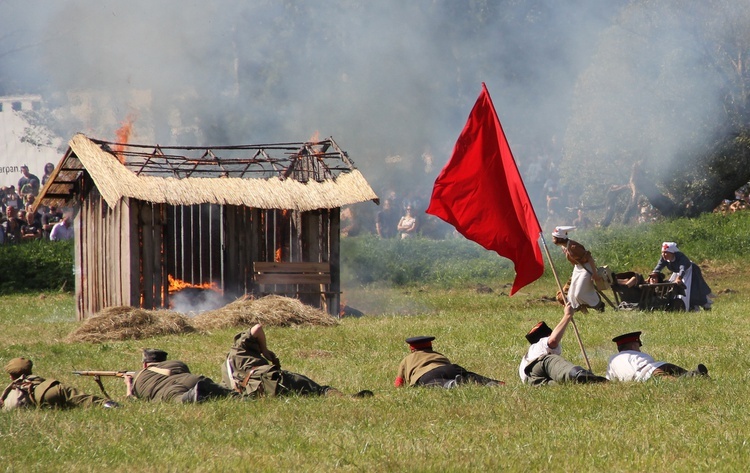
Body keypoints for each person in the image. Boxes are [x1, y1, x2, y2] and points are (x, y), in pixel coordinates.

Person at [221, 324, 372, 398]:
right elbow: (257, 328)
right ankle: (347, 399)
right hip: (275, 378)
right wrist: (265, 351)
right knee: (321, 391)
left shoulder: (226, 372)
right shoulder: (239, 346)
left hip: (263, 393)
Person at [519, 303, 608, 386]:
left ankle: (586, 381)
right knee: (552, 361)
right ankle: (578, 374)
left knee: (564, 384)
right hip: (540, 366)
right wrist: (568, 315)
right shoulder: (540, 344)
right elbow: (553, 341)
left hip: (531, 382)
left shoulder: (529, 356)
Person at [1, 357, 118, 410]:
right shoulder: (33, 379)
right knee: (86, 400)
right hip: (51, 389)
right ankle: (112, 406)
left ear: (11, 376)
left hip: (40, 399)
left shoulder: (12, 392)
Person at [125, 349, 235, 403]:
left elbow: (131, 399)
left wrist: (128, 385)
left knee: (178, 398)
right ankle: (234, 395)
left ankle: (193, 395)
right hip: (190, 380)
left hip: (171, 390)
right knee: (225, 393)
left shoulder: (139, 376)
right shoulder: (176, 363)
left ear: (144, 364)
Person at [394, 336, 504, 389]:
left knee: (433, 382)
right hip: (450, 368)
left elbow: (399, 383)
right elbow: (447, 365)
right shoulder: (438, 354)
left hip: (426, 374)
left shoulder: (406, 359)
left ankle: (451, 384)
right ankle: (493, 383)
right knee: (469, 375)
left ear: (412, 349)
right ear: (430, 346)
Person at [606, 331, 709, 381]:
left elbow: (610, 378)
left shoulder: (612, 360)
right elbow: (647, 361)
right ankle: (691, 376)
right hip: (645, 373)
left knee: (663, 370)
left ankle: (692, 375)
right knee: (664, 372)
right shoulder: (635, 354)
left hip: (642, 373)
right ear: (633, 345)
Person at [551, 225, 605, 312]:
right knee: (572, 294)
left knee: (579, 293)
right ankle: (584, 312)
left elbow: (589, 258)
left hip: (586, 267)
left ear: (559, 238)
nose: (553, 239)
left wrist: (594, 273)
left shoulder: (574, 247)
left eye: (554, 237)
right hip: (578, 268)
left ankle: (599, 305)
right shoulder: (564, 246)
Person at [648, 242, 713, 311]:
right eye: (663, 252)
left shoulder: (680, 257)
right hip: (678, 272)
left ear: (672, 253)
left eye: (666, 252)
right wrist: (652, 276)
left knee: (692, 290)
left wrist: (679, 278)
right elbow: (658, 267)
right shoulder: (664, 258)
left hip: (690, 271)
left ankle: (702, 305)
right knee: (673, 287)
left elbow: (683, 268)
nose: (664, 255)